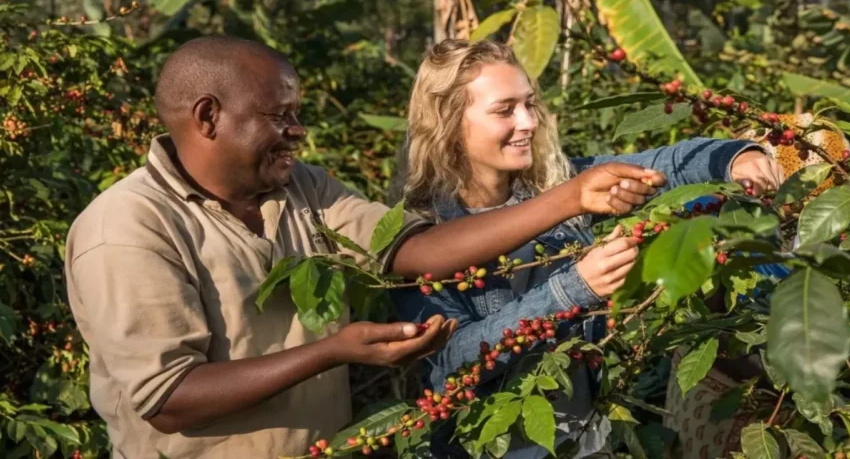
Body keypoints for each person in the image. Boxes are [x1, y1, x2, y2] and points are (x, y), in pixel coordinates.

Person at [63, 36, 669, 459]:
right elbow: (170, 399)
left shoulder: (303, 188)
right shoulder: (126, 228)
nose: (299, 132)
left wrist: (568, 199)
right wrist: (333, 352)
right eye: (281, 116)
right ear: (207, 117)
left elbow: (421, 251)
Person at [389, 39, 784, 459]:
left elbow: (662, 166)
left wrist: (736, 157)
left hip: (584, 444)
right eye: (504, 110)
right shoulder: (418, 235)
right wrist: (576, 287)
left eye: (530, 104)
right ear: (449, 122)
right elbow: (452, 362)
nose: (527, 122)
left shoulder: (558, 185)